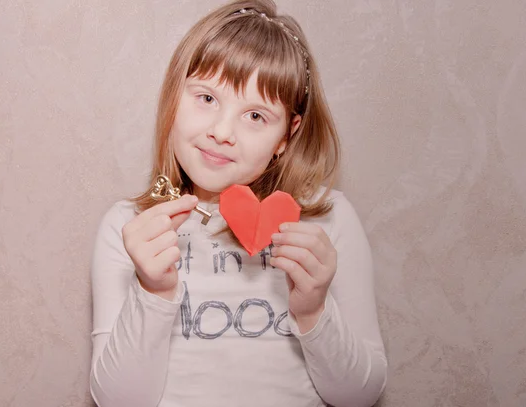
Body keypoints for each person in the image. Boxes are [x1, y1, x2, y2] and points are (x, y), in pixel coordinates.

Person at [89, 0, 387, 406]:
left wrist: (314, 309)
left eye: (255, 116)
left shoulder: (328, 220)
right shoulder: (130, 226)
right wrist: (152, 290)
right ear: (174, 95)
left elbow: (360, 395)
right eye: (207, 99)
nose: (222, 131)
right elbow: (119, 401)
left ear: (286, 135)